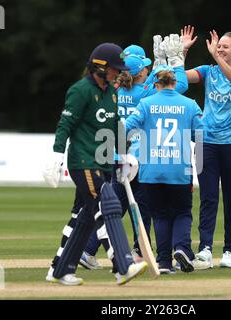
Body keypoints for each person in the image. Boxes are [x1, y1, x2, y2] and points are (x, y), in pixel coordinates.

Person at [42, 42, 147, 285]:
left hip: (102, 161)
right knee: (106, 204)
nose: (117, 73)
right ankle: (122, 266)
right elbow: (65, 124)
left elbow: (116, 125)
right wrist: (57, 154)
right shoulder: (80, 90)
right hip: (83, 161)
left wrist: (124, 155)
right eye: (113, 69)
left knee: (86, 216)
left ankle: (60, 270)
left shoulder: (111, 91)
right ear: (100, 67)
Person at [80, 36, 190, 267]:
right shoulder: (147, 94)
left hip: (116, 155)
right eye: (147, 66)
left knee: (116, 204)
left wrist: (159, 63)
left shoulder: (115, 89)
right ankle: (139, 250)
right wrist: (168, 61)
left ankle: (89, 249)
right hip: (141, 158)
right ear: (141, 71)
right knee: (142, 207)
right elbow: (177, 86)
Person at [183, 26, 231, 269]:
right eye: (219, 46)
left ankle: (230, 251)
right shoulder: (208, 71)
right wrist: (182, 52)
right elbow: (177, 79)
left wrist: (217, 58)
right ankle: (205, 249)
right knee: (207, 197)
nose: (220, 49)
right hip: (206, 142)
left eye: (225, 46)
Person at [126, 65, 204, 274]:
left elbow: (126, 128)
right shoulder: (190, 105)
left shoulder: (145, 103)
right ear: (175, 83)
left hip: (150, 171)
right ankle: (181, 248)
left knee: (159, 216)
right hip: (179, 169)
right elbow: (201, 135)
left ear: (155, 84)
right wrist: (199, 166)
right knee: (182, 212)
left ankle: (164, 262)